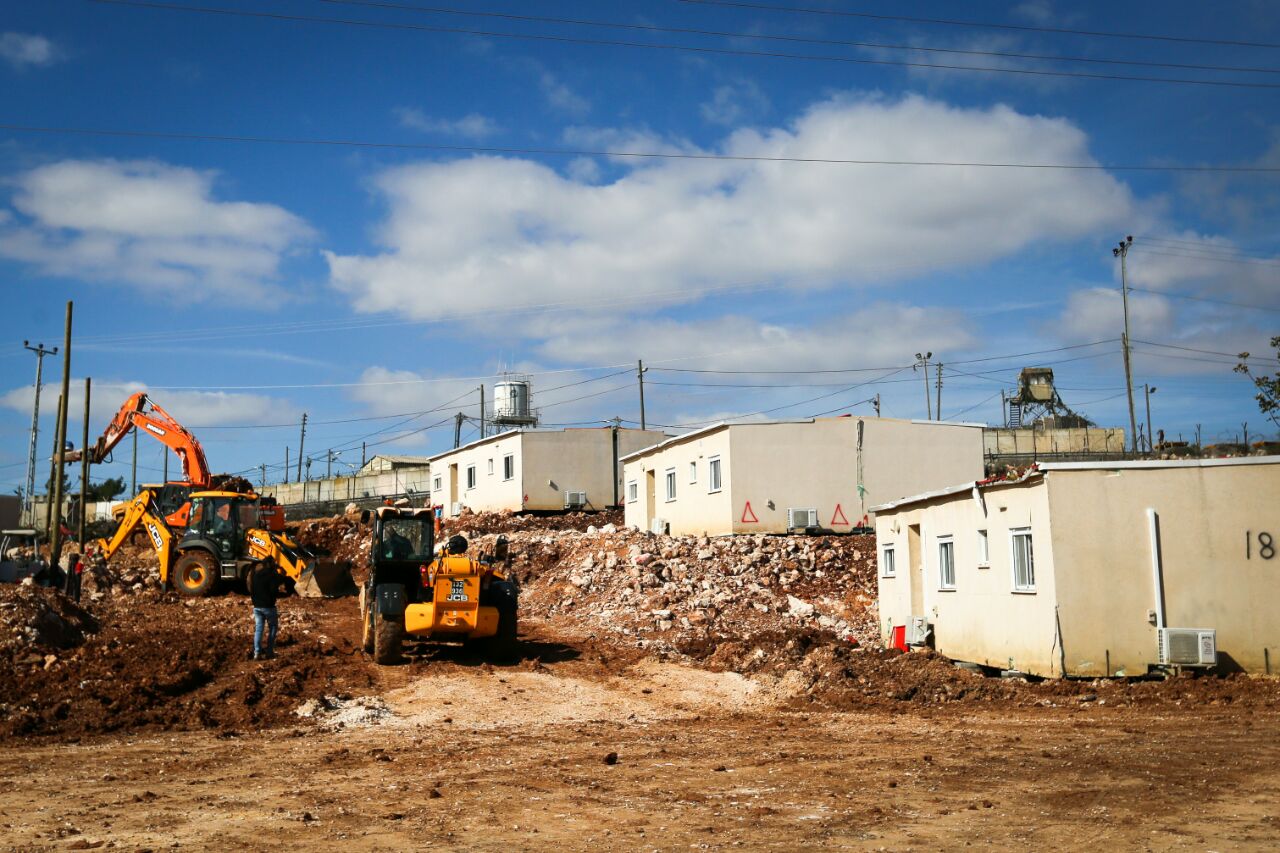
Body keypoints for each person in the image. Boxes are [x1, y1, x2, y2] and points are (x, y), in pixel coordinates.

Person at [249, 560, 287, 660]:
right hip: (268, 607)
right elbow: (275, 589)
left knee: (259, 630)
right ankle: (269, 652)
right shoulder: (272, 576)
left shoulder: (256, 575)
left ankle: (257, 653)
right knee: (273, 627)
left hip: (257, 607)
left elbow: (252, 589)